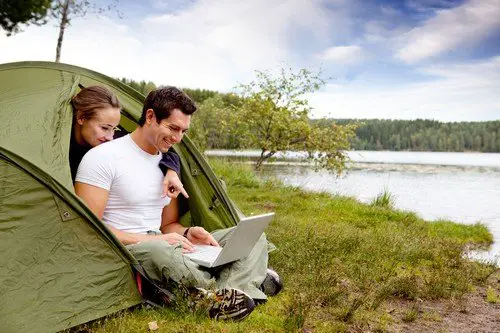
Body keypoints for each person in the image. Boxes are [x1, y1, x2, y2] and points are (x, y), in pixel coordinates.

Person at [74, 87, 282, 321]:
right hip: (131, 248)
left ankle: (227, 293)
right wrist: (157, 240)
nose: (177, 138)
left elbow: (168, 224)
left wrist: (187, 232)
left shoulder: (168, 165)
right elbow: (90, 229)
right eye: (173, 128)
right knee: (160, 251)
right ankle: (243, 285)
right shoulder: (102, 157)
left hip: (165, 243)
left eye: (183, 131)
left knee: (253, 236)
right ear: (151, 117)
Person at [69, 85, 186, 198]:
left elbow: (160, 151)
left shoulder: (115, 140)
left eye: (114, 128)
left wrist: (172, 170)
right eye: (104, 128)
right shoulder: (61, 145)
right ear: (81, 118)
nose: (110, 137)